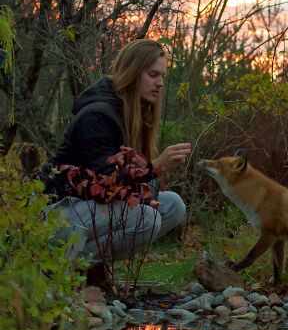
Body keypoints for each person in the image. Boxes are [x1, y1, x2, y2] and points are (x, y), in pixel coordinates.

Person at [40, 38, 191, 285]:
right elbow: (105, 185)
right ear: (132, 72)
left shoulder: (136, 113)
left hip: (88, 213)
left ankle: (87, 266)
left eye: (162, 75)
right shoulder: (97, 115)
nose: (160, 83)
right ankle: (59, 266)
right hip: (58, 214)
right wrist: (155, 167)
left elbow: (137, 188)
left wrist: (150, 177)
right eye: (153, 74)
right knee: (147, 218)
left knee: (173, 205)